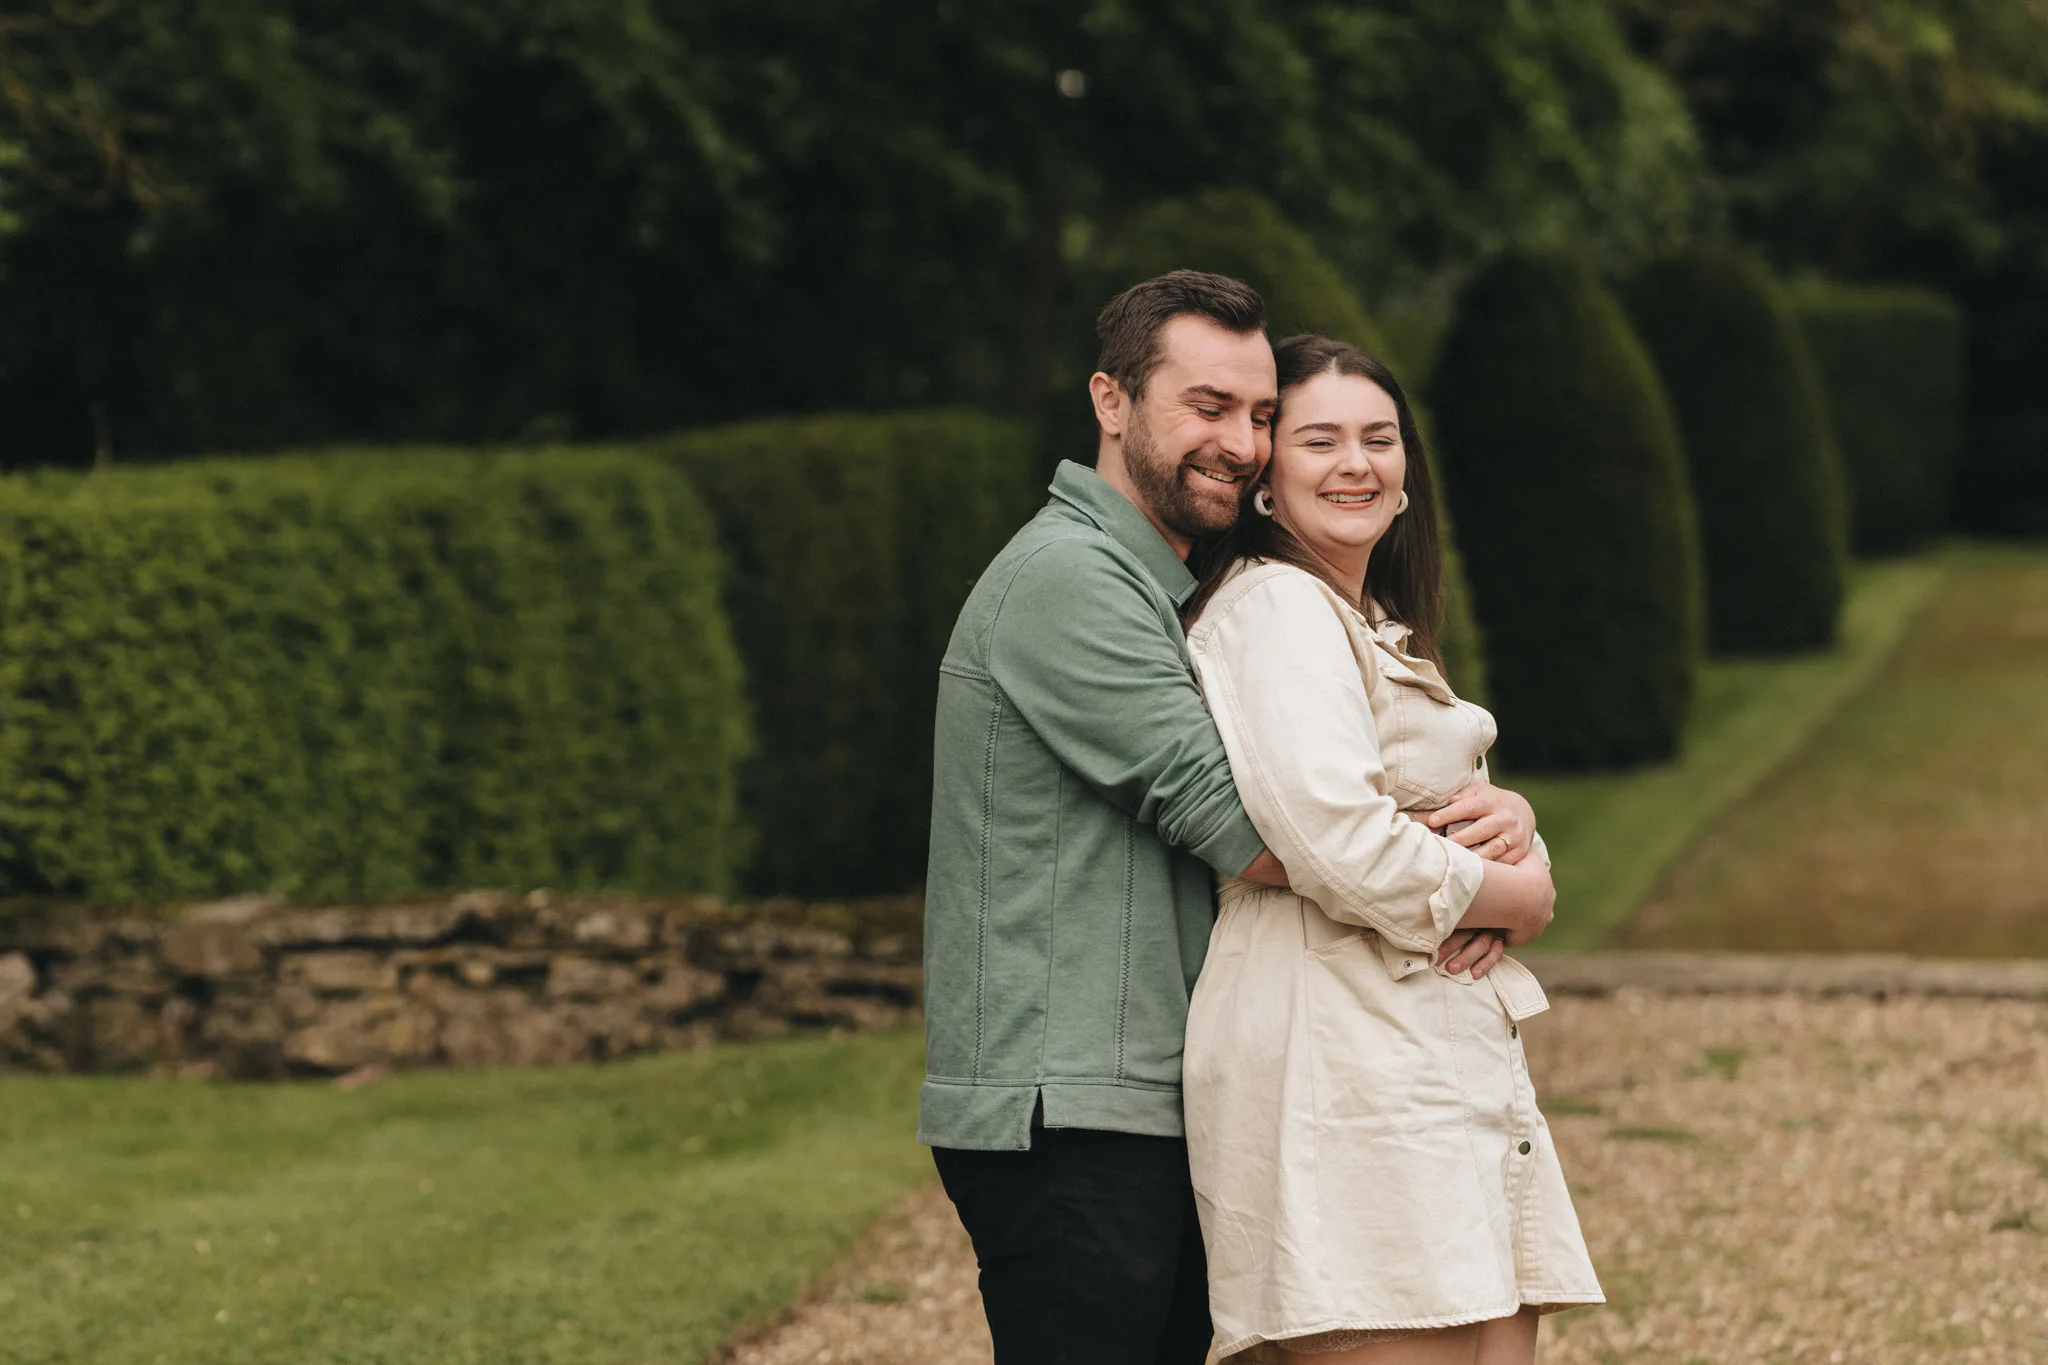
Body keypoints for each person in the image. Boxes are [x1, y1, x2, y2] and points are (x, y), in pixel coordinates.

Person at [921, 274, 1543, 1365]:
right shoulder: (1070, 581)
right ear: (1110, 402)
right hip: (1065, 1105)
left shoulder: (1165, 585)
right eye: (1207, 407)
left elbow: (1327, 792)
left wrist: (1499, 817)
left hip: (1141, 1095)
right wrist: (1509, 881)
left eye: (1259, 415)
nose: (1241, 442)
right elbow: (1263, 834)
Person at [1180, 334, 1604, 1365]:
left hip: (1432, 1057)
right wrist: (1516, 897)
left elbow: (1439, 798)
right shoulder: (1274, 609)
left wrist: (1521, 843)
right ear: (1267, 479)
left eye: (1378, 438)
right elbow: (1335, 840)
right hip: (1339, 1054)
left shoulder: (1367, 621)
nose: (1355, 464)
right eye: (1319, 440)